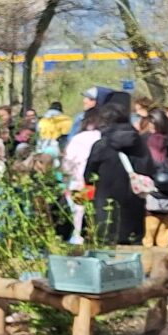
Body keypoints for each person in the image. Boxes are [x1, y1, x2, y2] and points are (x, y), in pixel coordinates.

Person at [84, 90, 147, 245]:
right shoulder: (139, 144)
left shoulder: (101, 146)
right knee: (132, 251)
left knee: (105, 250)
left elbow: (88, 175)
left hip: (105, 208)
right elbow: (147, 169)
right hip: (133, 207)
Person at [137, 108, 168, 246]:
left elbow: (141, 165)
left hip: (152, 194)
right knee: (164, 234)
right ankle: (162, 262)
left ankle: (149, 265)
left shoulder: (148, 140)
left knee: (149, 235)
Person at [60, 103, 103, 244]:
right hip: (98, 183)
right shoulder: (103, 137)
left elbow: (67, 166)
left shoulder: (77, 139)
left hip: (78, 183)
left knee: (78, 213)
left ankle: (78, 238)